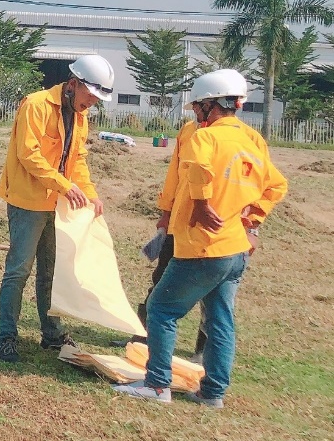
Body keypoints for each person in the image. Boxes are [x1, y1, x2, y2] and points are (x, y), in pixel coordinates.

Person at [114, 70, 287, 407]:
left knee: (162, 309)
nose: (195, 113)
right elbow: (277, 185)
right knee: (220, 319)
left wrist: (203, 204)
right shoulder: (251, 140)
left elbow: (197, 170)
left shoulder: (204, 138)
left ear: (211, 105)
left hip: (203, 246)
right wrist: (252, 219)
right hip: (236, 248)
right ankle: (213, 393)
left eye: (197, 107)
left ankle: (157, 385)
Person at [0, 55, 113, 363]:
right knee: (18, 271)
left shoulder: (81, 115)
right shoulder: (36, 105)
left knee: (51, 272)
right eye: (90, 96)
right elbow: (28, 154)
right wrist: (64, 185)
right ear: (73, 84)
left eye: (97, 100)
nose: (92, 104)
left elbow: (79, 160)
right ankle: (6, 336)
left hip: (56, 204)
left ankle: (52, 333)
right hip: (27, 201)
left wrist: (89, 192)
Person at [128, 118, 207, 359]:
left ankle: (204, 351)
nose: (194, 110)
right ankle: (143, 336)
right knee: (161, 279)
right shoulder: (188, 130)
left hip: (210, 231)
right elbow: (174, 175)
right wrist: (166, 213)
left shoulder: (240, 138)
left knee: (212, 294)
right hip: (177, 224)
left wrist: (251, 224)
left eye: (198, 105)